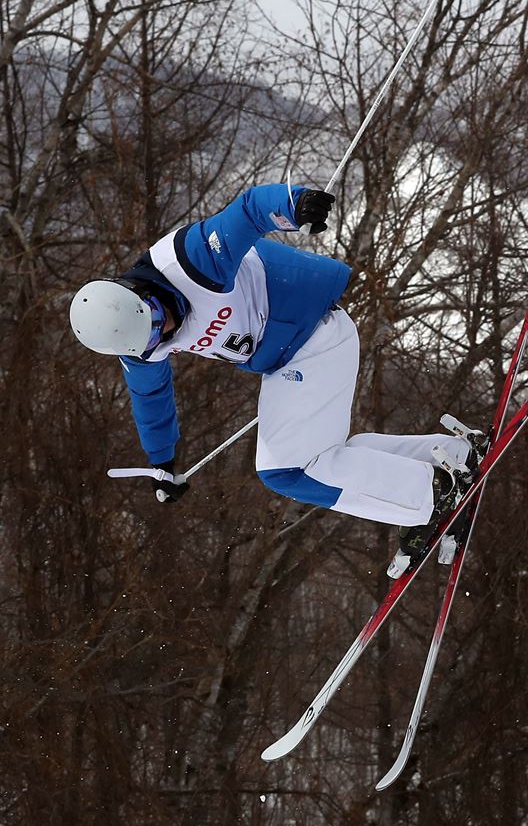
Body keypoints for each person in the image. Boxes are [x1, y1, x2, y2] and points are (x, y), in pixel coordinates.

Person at [69, 182, 472, 572]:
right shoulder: (140, 344)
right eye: (154, 336)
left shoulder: (190, 262)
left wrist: (295, 205)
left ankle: (430, 495)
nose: (167, 328)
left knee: (288, 470)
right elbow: (150, 396)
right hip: (287, 355)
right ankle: (452, 459)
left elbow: (246, 212)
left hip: (314, 331)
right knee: (326, 458)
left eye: (157, 317)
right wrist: (162, 461)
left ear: (137, 291)